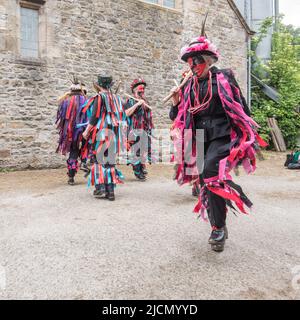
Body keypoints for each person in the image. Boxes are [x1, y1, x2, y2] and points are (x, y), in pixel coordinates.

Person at [169, 18, 267, 252]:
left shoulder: (223, 78)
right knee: (206, 180)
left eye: (196, 62)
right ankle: (218, 226)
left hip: (222, 134)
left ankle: (218, 229)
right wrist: (175, 100)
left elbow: (241, 107)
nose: (193, 66)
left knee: (212, 172)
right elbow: (177, 114)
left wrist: (247, 131)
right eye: (191, 62)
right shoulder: (189, 85)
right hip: (200, 137)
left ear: (207, 60)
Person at [82, 75, 126, 201]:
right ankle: (110, 192)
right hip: (113, 132)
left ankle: (100, 188)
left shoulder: (99, 97)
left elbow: (94, 117)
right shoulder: (116, 98)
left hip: (101, 132)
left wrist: (86, 131)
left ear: (99, 85)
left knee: (99, 160)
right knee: (110, 161)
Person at [56, 77, 87, 185]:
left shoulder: (65, 101)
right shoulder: (86, 101)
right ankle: (84, 163)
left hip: (71, 133)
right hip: (84, 131)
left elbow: (62, 116)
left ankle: (71, 177)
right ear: (81, 90)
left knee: (73, 152)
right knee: (86, 148)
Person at [124, 78, 154, 180]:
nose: (142, 90)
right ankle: (137, 171)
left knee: (143, 151)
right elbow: (126, 113)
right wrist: (137, 104)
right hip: (134, 130)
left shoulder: (146, 102)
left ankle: (142, 168)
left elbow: (148, 117)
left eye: (143, 88)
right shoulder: (130, 101)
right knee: (135, 151)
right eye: (139, 88)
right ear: (134, 90)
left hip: (144, 130)